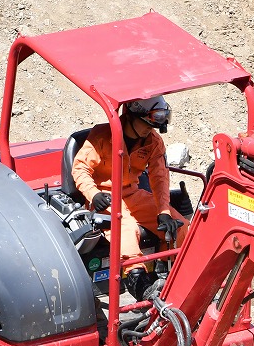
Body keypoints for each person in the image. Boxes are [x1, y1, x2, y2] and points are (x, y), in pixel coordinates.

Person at [71, 95, 187, 300]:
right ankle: (140, 284)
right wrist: (93, 194)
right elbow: (80, 168)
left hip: (133, 194)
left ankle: (174, 273)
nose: (149, 129)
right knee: (126, 227)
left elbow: (160, 178)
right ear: (131, 115)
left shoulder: (153, 141)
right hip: (104, 197)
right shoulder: (102, 136)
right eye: (145, 124)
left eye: (153, 126)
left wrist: (164, 211)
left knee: (180, 226)